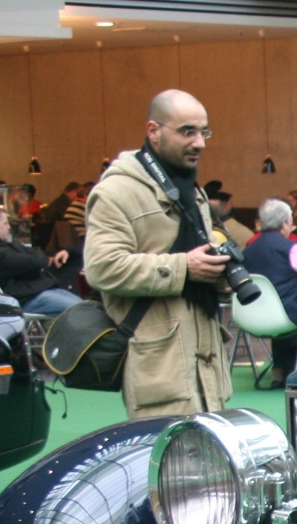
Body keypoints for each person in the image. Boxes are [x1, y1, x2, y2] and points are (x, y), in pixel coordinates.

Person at [83, 88, 231, 418]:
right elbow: (101, 267)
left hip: (207, 370)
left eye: (204, 131)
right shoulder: (116, 192)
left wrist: (219, 274)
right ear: (154, 131)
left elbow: (199, 260)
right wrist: (184, 268)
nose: (200, 143)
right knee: (165, 465)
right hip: (160, 372)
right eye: (187, 131)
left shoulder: (190, 188)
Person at [242, 197, 297, 382]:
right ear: (285, 222)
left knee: (280, 313)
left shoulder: (248, 249)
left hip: (252, 315)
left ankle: (279, 370)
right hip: (288, 312)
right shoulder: (292, 248)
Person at [0, 205, 79, 314]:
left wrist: (34, 257)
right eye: (5, 223)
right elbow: (37, 261)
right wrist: (36, 258)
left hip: (30, 293)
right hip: (26, 299)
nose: (9, 227)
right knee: (82, 310)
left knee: (82, 306)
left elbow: (33, 257)